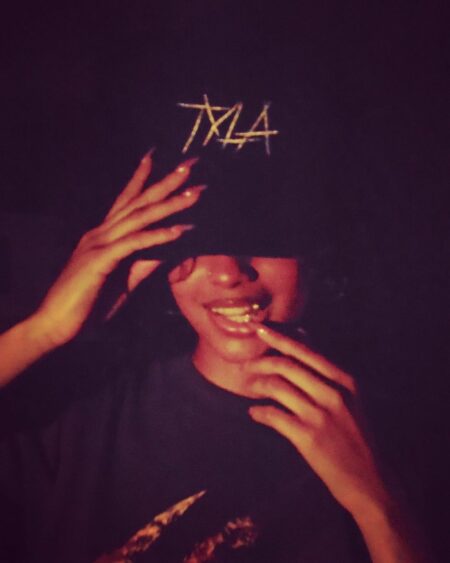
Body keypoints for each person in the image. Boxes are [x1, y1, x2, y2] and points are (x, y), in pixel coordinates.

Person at [0, 149, 430, 562]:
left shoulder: (396, 436)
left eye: (265, 236)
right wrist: (42, 330)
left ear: (317, 253)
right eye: (197, 240)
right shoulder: (83, 409)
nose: (227, 273)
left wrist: (378, 506)